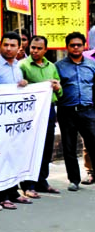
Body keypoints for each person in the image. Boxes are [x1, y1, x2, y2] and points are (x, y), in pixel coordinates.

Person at [0, 32, 32, 209]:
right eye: (6, 45)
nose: (9, 48)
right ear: (0, 46)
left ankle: (12, 192)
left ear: (19, 48)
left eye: (12, 45)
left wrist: (23, 84)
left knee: (12, 156)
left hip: (14, 121)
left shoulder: (18, 67)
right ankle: (0, 195)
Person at [19, 35, 62, 196]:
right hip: (31, 112)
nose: (35, 51)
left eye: (39, 48)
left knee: (47, 146)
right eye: (33, 48)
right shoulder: (23, 66)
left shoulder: (51, 67)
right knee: (30, 146)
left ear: (45, 50)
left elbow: (59, 89)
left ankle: (42, 181)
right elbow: (18, 88)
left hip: (49, 109)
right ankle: (28, 184)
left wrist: (57, 87)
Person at [55, 32, 95, 192]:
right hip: (67, 112)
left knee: (93, 144)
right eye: (72, 45)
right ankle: (74, 180)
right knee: (69, 147)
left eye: (79, 45)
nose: (76, 47)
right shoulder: (59, 66)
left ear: (84, 46)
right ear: (67, 47)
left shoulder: (92, 65)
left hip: (88, 111)